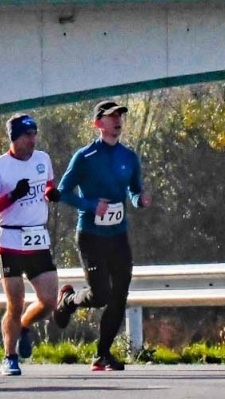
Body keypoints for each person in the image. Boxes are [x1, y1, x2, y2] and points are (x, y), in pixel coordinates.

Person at [52, 99, 152, 371]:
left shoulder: (129, 157)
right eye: (111, 116)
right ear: (98, 123)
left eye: (120, 115)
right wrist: (90, 205)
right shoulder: (84, 157)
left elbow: (133, 189)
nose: (118, 120)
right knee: (101, 295)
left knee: (120, 293)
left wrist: (138, 199)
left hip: (118, 235)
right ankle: (70, 300)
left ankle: (102, 354)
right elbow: (62, 192)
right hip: (91, 235)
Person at [0, 114, 59, 377]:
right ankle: (9, 356)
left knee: (48, 301)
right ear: (14, 138)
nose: (32, 140)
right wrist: (12, 196)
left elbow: (48, 186)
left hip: (38, 239)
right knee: (15, 302)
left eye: (34, 134)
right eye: (27, 135)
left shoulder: (42, 159)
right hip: (11, 241)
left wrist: (51, 193)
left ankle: (24, 325)